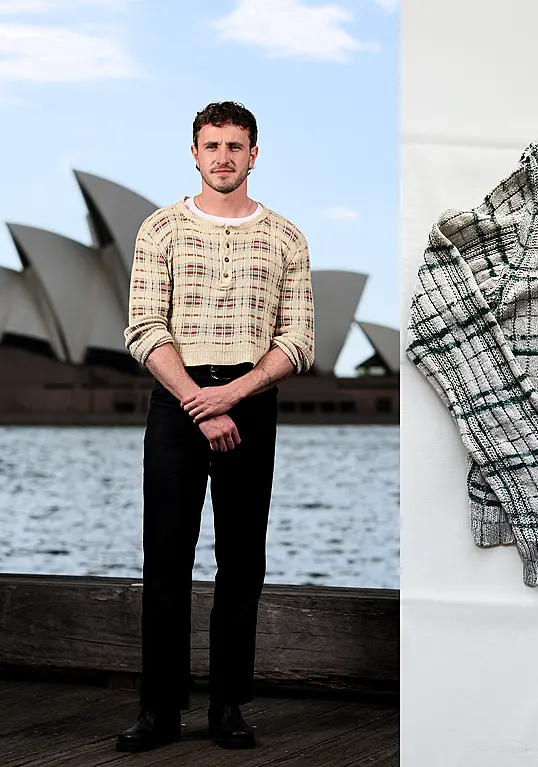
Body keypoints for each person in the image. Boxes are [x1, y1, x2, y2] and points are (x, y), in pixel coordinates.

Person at [116, 101, 315, 752]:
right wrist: (199, 401)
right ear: (194, 153)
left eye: (235, 146)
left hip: (250, 399)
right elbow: (145, 328)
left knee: (241, 560)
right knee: (166, 559)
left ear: (254, 154)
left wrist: (231, 393)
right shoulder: (160, 229)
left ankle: (228, 704)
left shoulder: (286, 236)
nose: (223, 157)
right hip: (178, 401)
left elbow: (298, 339)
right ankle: (159, 710)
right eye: (211, 146)